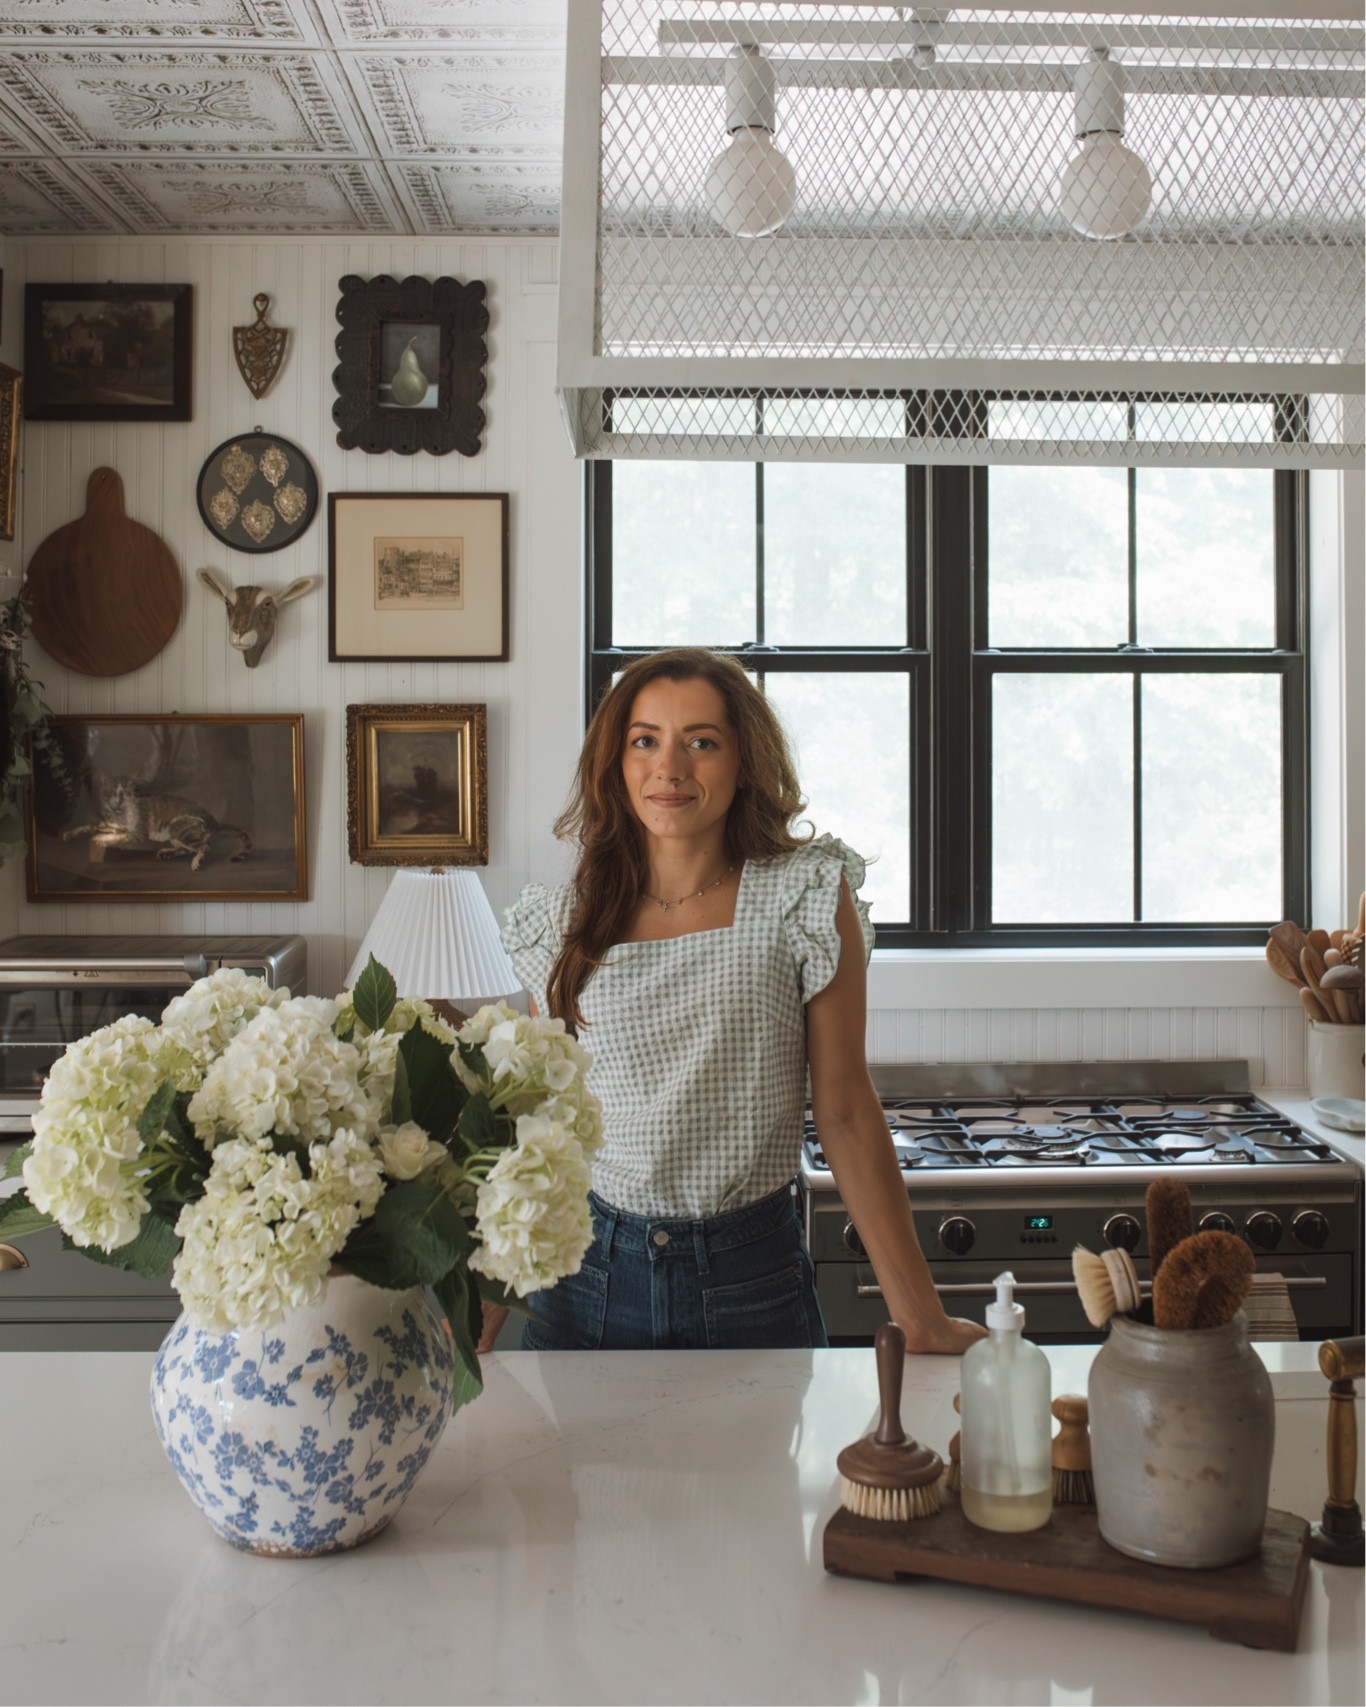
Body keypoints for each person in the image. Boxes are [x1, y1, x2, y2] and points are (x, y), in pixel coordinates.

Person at [478, 648, 986, 1357]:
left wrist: (921, 1318)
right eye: (645, 739)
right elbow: (542, 1125)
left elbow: (842, 1108)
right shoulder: (564, 920)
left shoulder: (802, 895)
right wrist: (485, 1301)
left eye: (702, 742)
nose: (670, 767)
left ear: (744, 761)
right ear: (615, 762)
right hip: (585, 1277)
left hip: (750, 1277)